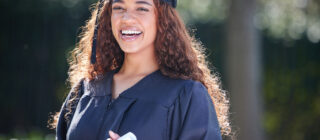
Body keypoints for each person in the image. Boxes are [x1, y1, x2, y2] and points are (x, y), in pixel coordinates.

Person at [50, 0, 232, 139]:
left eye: (142, 8)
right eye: (118, 8)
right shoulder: (86, 90)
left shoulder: (186, 96)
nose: (127, 18)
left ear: (163, 19)